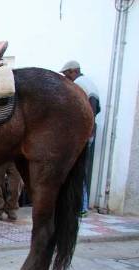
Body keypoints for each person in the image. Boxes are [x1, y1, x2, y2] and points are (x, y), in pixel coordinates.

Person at [61, 60, 100, 216]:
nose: (66, 78)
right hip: (87, 132)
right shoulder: (89, 83)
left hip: (82, 133)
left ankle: (80, 206)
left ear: (73, 71)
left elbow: (89, 109)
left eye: (66, 75)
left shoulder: (80, 83)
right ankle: (79, 206)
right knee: (77, 168)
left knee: (75, 168)